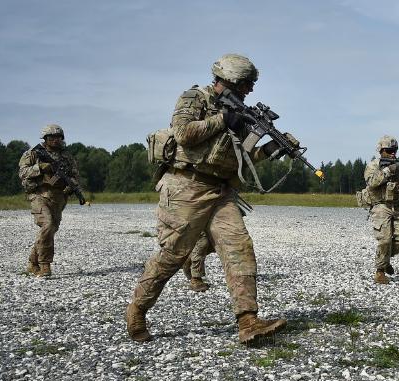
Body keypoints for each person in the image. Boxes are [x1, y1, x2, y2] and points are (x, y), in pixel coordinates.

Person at [125, 53, 299, 344]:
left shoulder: (242, 114)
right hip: (185, 187)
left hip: (220, 191)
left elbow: (244, 159)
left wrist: (272, 149)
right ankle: (138, 310)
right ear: (227, 79)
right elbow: (183, 134)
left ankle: (248, 321)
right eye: (246, 83)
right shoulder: (196, 98)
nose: (250, 89)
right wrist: (223, 119)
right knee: (172, 255)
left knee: (239, 248)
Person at [18, 124, 82, 277]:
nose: (55, 140)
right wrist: (40, 167)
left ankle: (32, 262)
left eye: (58, 137)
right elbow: (22, 172)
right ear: (45, 138)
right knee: (47, 224)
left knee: (49, 230)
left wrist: (71, 186)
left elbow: (75, 175)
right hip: (39, 195)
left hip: (58, 198)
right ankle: (44, 265)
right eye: (51, 137)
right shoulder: (33, 154)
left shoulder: (66, 156)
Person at [362, 135, 399, 284]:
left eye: (394, 150)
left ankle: (385, 259)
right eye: (389, 150)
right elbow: (372, 182)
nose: (393, 153)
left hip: (397, 206)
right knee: (385, 239)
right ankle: (380, 272)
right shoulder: (373, 165)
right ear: (381, 151)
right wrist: (389, 170)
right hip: (380, 205)